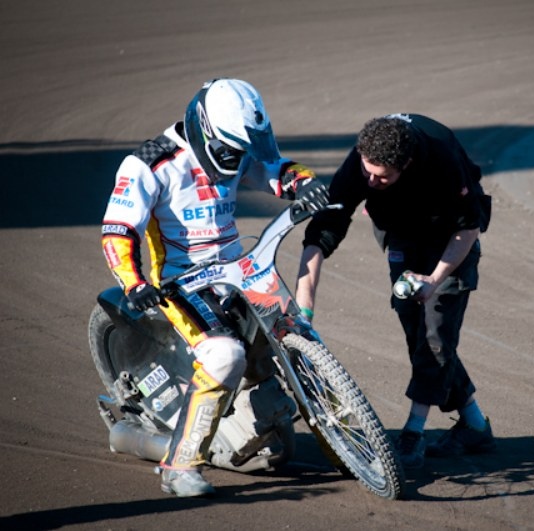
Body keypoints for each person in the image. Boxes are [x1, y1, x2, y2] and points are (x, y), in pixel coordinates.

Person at [100, 78, 328, 497]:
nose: (237, 160)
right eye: (231, 151)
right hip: (180, 282)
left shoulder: (234, 145)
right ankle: (179, 467)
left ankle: (343, 439)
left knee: (295, 331)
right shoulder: (148, 164)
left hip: (238, 268)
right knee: (225, 355)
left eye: (242, 151)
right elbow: (118, 230)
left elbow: (275, 169)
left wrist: (305, 183)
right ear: (205, 129)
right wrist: (133, 283)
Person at [295, 113, 495, 470]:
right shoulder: (361, 164)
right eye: (367, 172)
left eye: (382, 177)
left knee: (435, 335)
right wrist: (304, 309)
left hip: (449, 239)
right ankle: (475, 425)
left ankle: (413, 433)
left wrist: (434, 279)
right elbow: (325, 227)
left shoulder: (442, 158)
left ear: (407, 163)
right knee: (418, 332)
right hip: (401, 233)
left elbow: (468, 228)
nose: (371, 182)